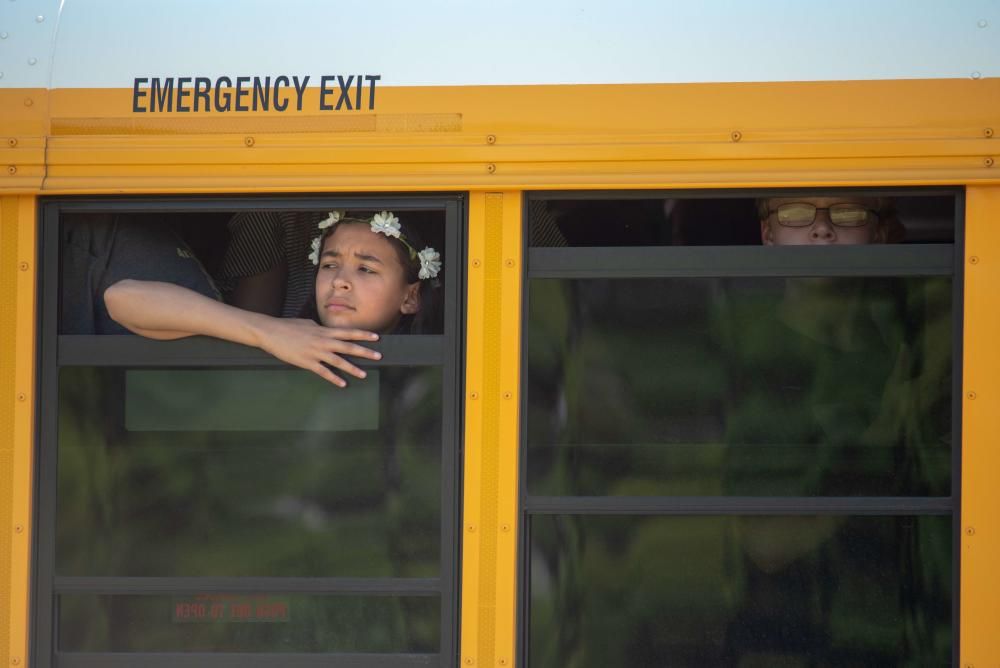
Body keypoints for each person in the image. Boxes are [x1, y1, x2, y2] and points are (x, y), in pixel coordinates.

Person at [105, 211, 442, 387]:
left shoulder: (427, 379)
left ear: (411, 297)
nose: (339, 282)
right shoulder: (277, 338)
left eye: (366, 269)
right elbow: (121, 298)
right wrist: (268, 332)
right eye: (329, 265)